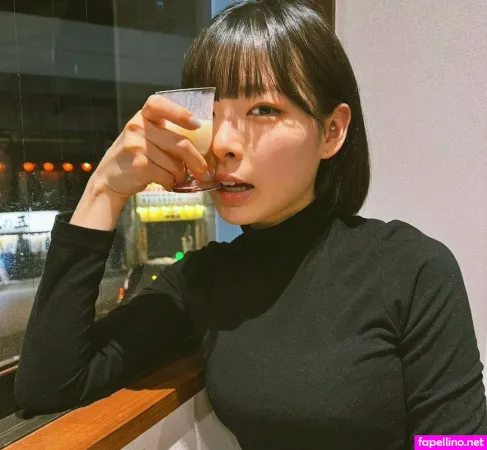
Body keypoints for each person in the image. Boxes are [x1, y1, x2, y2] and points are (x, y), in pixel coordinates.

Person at [14, 1, 486, 449]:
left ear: (332, 131)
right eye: (211, 115)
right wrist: (104, 190)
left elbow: (458, 440)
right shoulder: (203, 279)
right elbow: (50, 384)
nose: (223, 143)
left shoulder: (410, 268)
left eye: (264, 110)